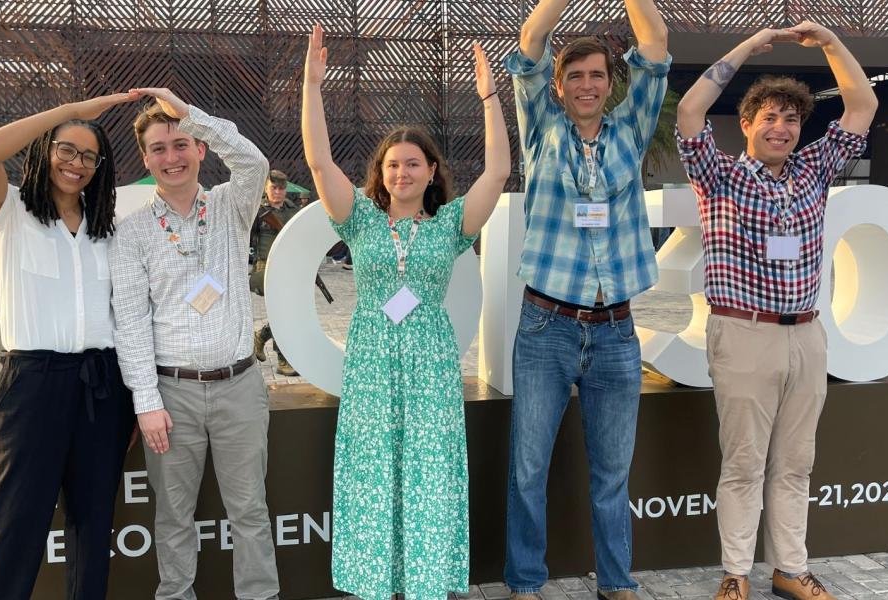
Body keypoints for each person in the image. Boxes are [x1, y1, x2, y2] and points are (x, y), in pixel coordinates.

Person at [302, 24, 510, 600]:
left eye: (413, 163)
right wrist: (313, 87)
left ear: (431, 171)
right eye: (393, 164)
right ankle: (375, 582)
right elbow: (318, 162)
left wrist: (489, 97)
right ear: (382, 172)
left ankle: (425, 582)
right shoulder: (359, 219)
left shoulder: (450, 226)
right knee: (372, 470)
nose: (402, 173)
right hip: (370, 361)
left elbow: (497, 173)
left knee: (428, 470)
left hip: (430, 364)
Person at [675, 22, 876, 600]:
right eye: (769, 117)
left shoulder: (814, 170)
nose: (781, 128)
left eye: (791, 119)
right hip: (743, 333)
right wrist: (749, 46)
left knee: (796, 463)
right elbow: (689, 111)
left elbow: (863, 105)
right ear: (747, 124)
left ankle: (791, 569)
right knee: (744, 463)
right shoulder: (719, 176)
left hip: (805, 335)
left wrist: (831, 43)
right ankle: (735, 573)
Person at [502, 1, 669, 598]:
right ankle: (526, 581)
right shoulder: (541, 127)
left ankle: (616, 582)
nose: (587, 84)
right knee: (528, 468)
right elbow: (531, 37)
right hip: (545, 326)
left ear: (610, 82)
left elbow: (655, 41)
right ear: (558, 85)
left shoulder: (631, 128)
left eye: (597, 74)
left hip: (616, 331)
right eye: (575, 75)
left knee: (612, 472)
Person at [109, 87, 280, 600]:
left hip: (239, 386)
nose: (172, 157)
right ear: (145, 160)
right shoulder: (131, 232)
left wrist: (189, 115)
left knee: (249, 510)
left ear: (201, 148)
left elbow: (254, 162)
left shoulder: (231, 204)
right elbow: (131, 323)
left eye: (181, 144)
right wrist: (146, 402)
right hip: (171, 395)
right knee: (173, 515)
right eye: (159, 149)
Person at [0, 94, 138, 599]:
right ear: (45, 150)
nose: (76, 163)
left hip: (102, 384)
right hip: (33, 382)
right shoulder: (11, 209)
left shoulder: (105, 226)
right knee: (17, 521)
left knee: (93, 523)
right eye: (66, 149)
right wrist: (70, 111)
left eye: (89, 156)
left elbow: (122, 316)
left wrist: (132, 397)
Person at [250, 169, 302, 376]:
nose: (278, 192)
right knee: (282, 312)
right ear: (266, 188)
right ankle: (283, 359)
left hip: (288, 266)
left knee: (288, 311)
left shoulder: (293, 210)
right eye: (274, 188)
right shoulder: (257, 210)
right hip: (266, 267)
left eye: (281, 188)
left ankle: (261, 336)